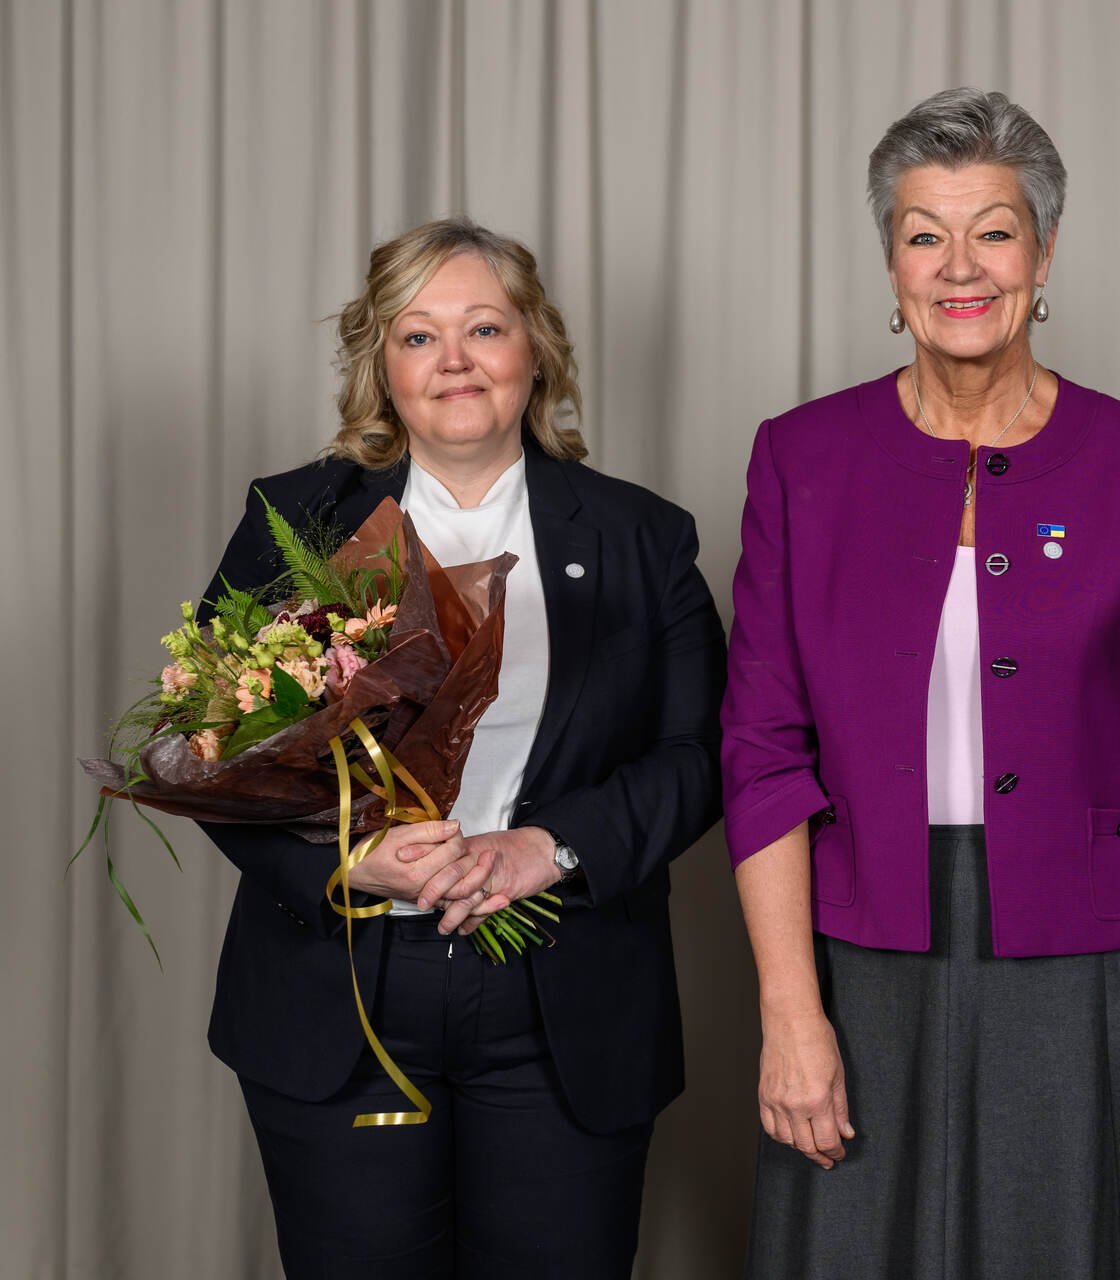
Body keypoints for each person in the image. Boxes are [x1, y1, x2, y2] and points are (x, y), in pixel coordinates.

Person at [721, 88, 1120, 1279]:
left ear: (1042, 255)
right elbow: (762, 752)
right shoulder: (800, 457)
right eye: (924, 234)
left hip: (1088, 958)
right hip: (855, 950)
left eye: (994, 231)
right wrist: (790, 1011)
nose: (960, 266)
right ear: (890, 261)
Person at [195, 216, 726, 1277]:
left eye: (484, 327)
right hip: (341, 994)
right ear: (381, 367)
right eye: (418, 335)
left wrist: (550, 847)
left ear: (535, 347)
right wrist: (348, 861)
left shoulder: (642, 535)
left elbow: (700, 753)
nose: (455, 361)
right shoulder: (294, 519)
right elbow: (210, 746)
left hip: (564, 995)